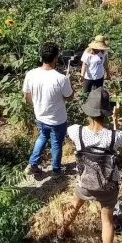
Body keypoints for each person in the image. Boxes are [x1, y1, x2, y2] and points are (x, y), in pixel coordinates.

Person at [60, 87, 122, 243]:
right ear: (107, 112)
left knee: (74, 206)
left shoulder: (76, 131)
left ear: (88, 111)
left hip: (85, 183)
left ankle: (62, 231)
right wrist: (116, 119)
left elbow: (69, 130)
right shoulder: (115, 137)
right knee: (107, 220)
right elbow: (119, 137)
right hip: (108, 185)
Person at [23, 42, 74, 175]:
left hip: (40, 116)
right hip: (57, 119)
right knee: (56, 143)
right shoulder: (61, 79)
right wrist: (69, 82)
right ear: (56, 58)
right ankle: (56, 169)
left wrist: (37, 106)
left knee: (42, 137)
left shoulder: (31, 74)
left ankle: (33, 163)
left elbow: (27, 96)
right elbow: (69, 97)